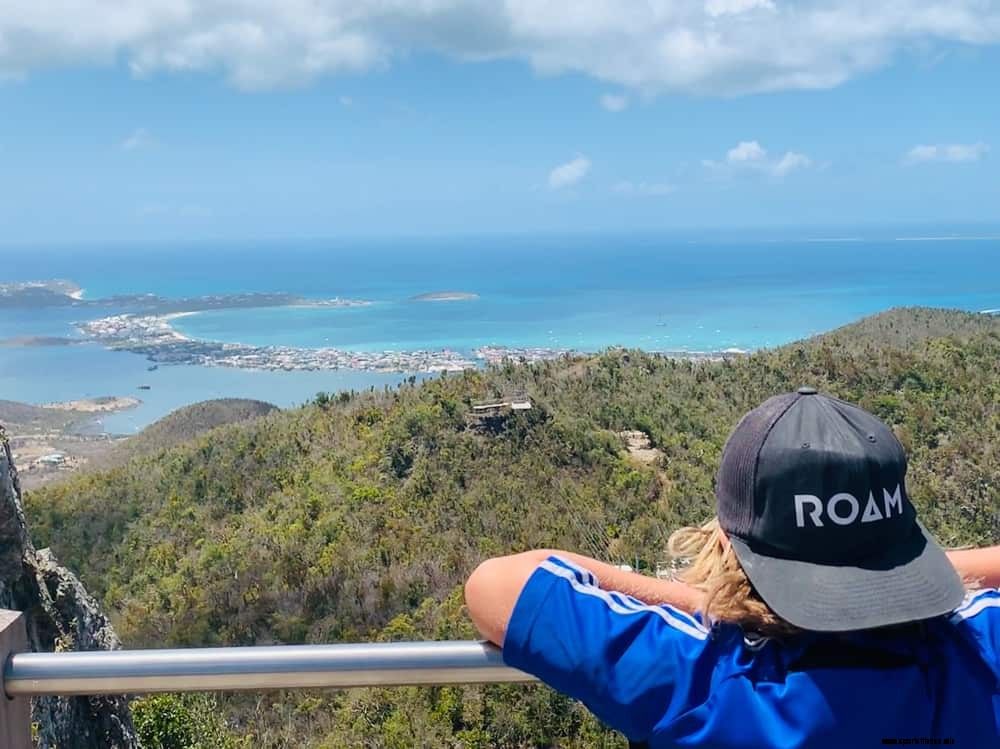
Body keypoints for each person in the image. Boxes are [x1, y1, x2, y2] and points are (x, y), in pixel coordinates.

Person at [465, 388, 1000, 747]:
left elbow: (497, 584)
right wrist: (893, 570)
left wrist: (710, 602)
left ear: (727, 544)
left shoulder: (696, 676)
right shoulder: (978, 655)